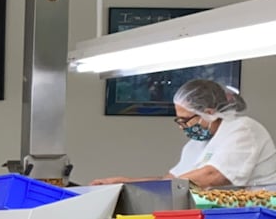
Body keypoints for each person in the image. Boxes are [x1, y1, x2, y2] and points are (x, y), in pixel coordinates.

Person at [93, 79, 276, 188]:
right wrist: (125, 182)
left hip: (263, 215)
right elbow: (171, 180)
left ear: (209, 112)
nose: (182, 127)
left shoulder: (242, 129)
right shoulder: (196, 144)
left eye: (185, 120)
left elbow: (212, 176)